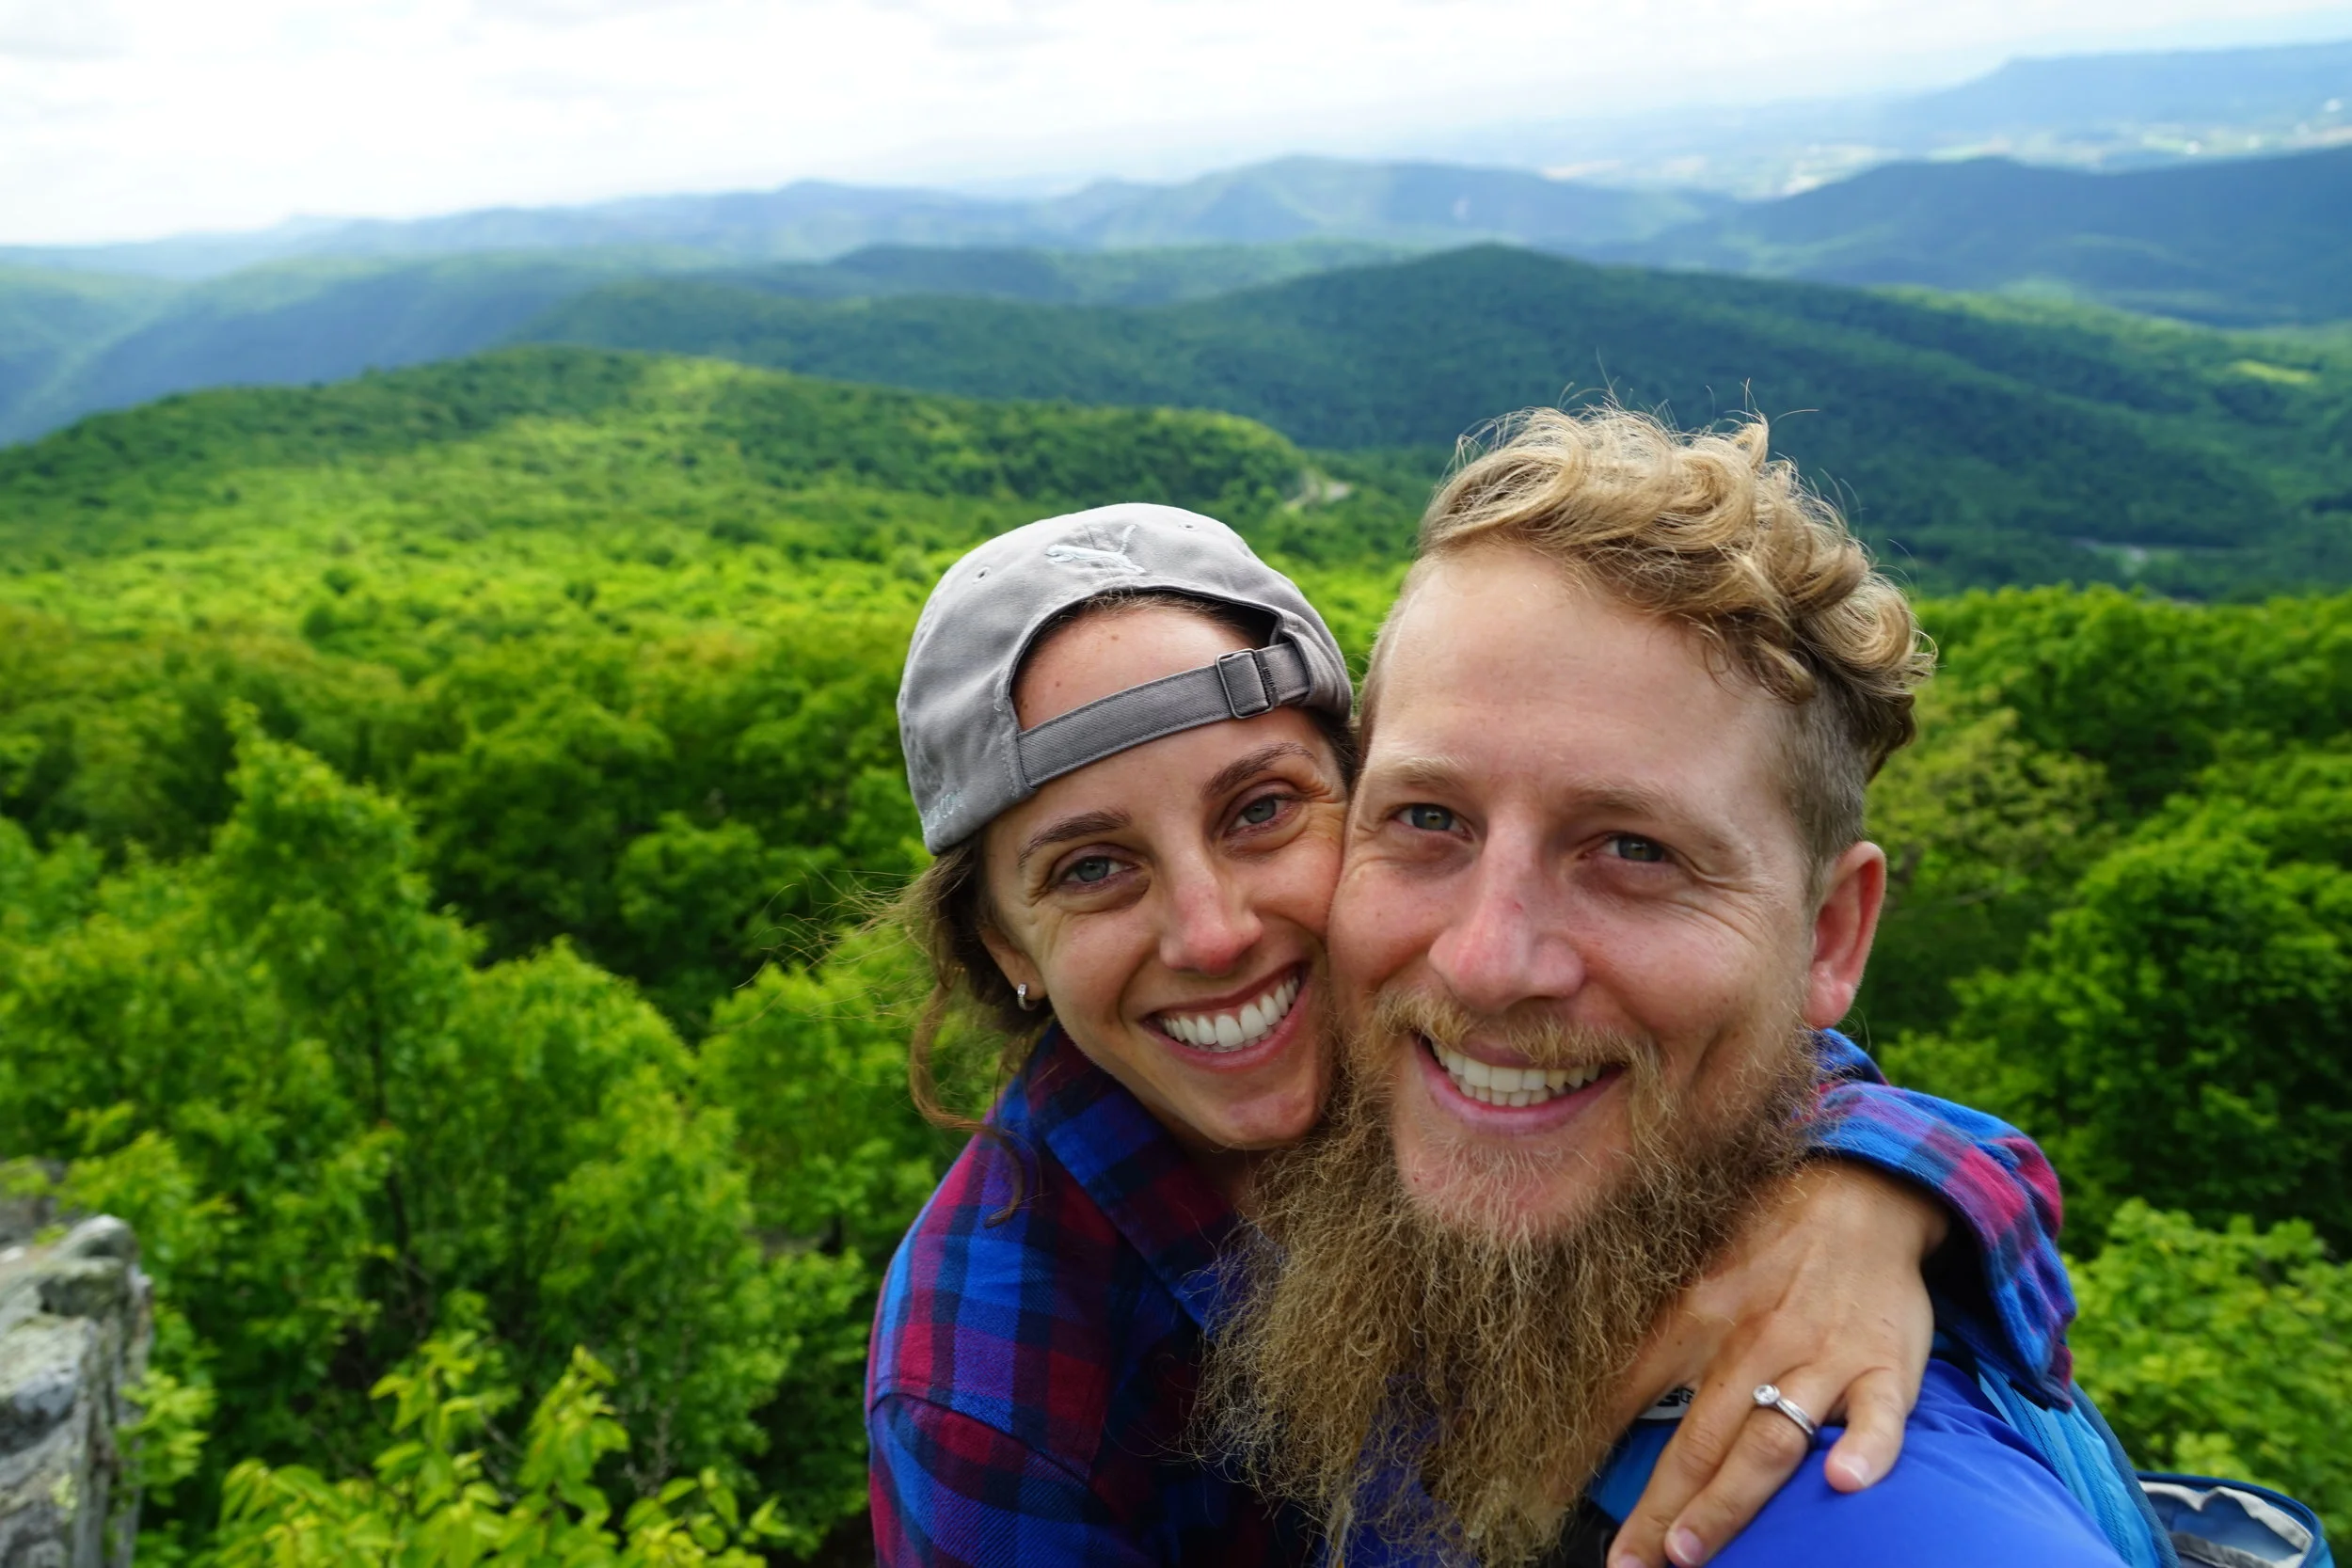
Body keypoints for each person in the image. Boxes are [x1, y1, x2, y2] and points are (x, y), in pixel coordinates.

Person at [867, 495, 2076, 1567]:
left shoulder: (1438, 1012)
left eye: (1263, 810)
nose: (1215, 931)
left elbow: (1744, 1046)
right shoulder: (989, 1375)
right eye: (1090, 868)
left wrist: (1878, 1181)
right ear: (1007, 948)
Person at [1200, 408, 2124, 1568]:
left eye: (1632, 849)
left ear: (1829, 934)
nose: (1484, 960)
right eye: (1427, 818)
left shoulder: (1882, 1511)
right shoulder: (1332, 1146)